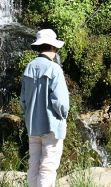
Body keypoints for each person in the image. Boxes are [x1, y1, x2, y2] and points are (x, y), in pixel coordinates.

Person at [20, 29, 69, 187]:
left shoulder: (29, 67)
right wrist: (63, 116)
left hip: (32, 126)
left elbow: (23, 102)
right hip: (51, 126)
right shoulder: (55, 69)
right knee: (48, 167)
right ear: (54, 48)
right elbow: (61, 103)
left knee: (33, 165)